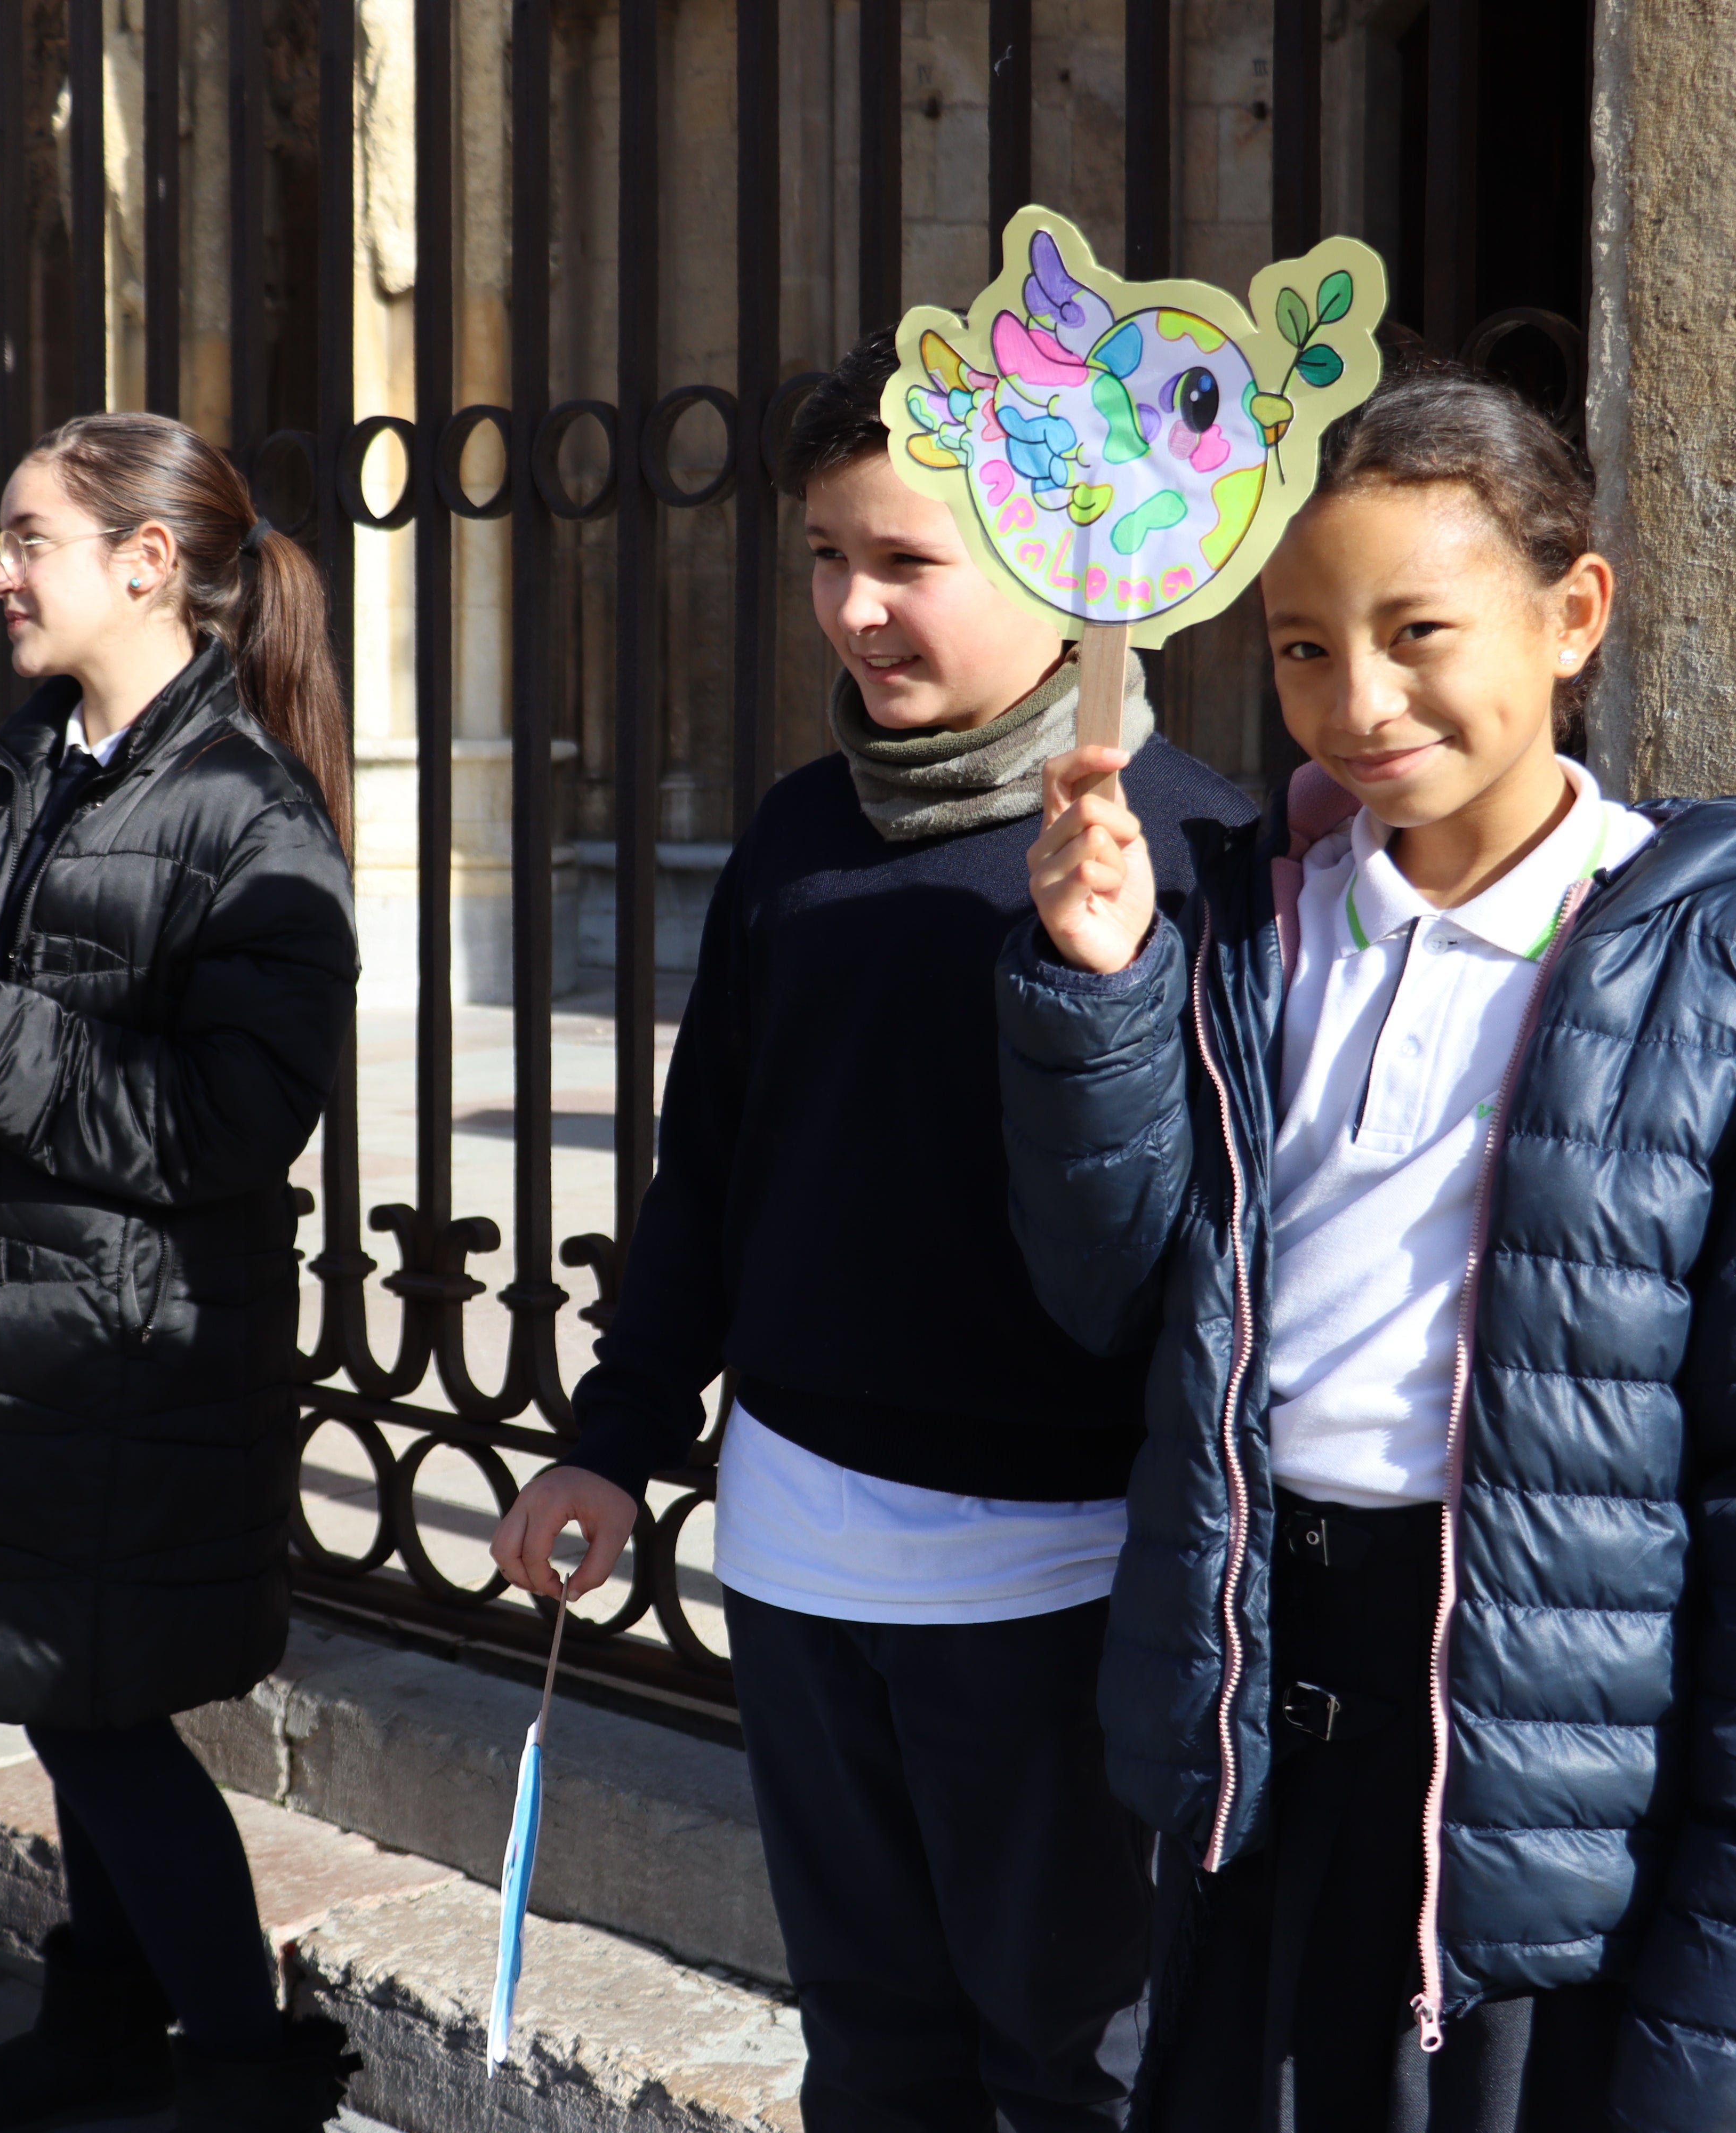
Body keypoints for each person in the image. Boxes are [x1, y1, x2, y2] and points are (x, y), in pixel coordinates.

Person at [998, 359, 1736, 2131]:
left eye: (1420, 630)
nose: (1358, 701)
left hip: (1533, 1757)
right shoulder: (1247, 937)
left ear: (1574, 613)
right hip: (1264, 1719)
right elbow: (1113, 1292)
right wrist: (1099, 994)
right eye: (1299, 648)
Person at [487, 332, 1255, 2133]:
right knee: (879, 2055)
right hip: (804, 1558)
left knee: (1072, 2066)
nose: (850, 610)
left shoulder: (1208, 855)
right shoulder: (799, 840)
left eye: (907, 562)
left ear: (1065, 570)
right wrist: (613, 1442)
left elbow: (1200, 1265)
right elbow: (714, 1173)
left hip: (1057, 1592)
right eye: (827, 558)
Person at [0, 412, 361, 2133]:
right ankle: (105, 2020)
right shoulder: (39, 767)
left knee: (102, 1718)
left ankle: (254, 2073)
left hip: (134, 1351)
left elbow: (226, 1125)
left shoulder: (246, 812)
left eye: (28, 538)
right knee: (64, 1702)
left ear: (147, 563)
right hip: (23, 1333)